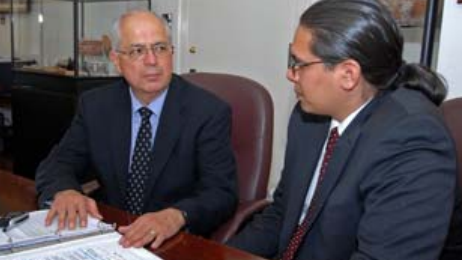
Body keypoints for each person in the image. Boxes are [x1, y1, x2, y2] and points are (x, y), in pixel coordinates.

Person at [228, 0, 457, 260]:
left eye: (299, 63)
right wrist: (219, 256)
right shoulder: (309, 115)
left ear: (348, 74)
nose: (290, 74)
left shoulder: (413, 141)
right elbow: (283, 213)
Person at [35, 10, 237, 249]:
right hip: (114, 235)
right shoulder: (96, 106)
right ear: (116, 60)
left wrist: (177, 215)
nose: (152, 61)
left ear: (172, 53)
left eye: (160, 48)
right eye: (137, 51)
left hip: (174, 242)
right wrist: (65, 191)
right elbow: (59, 163)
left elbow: (221, 192)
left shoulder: (208, 112)